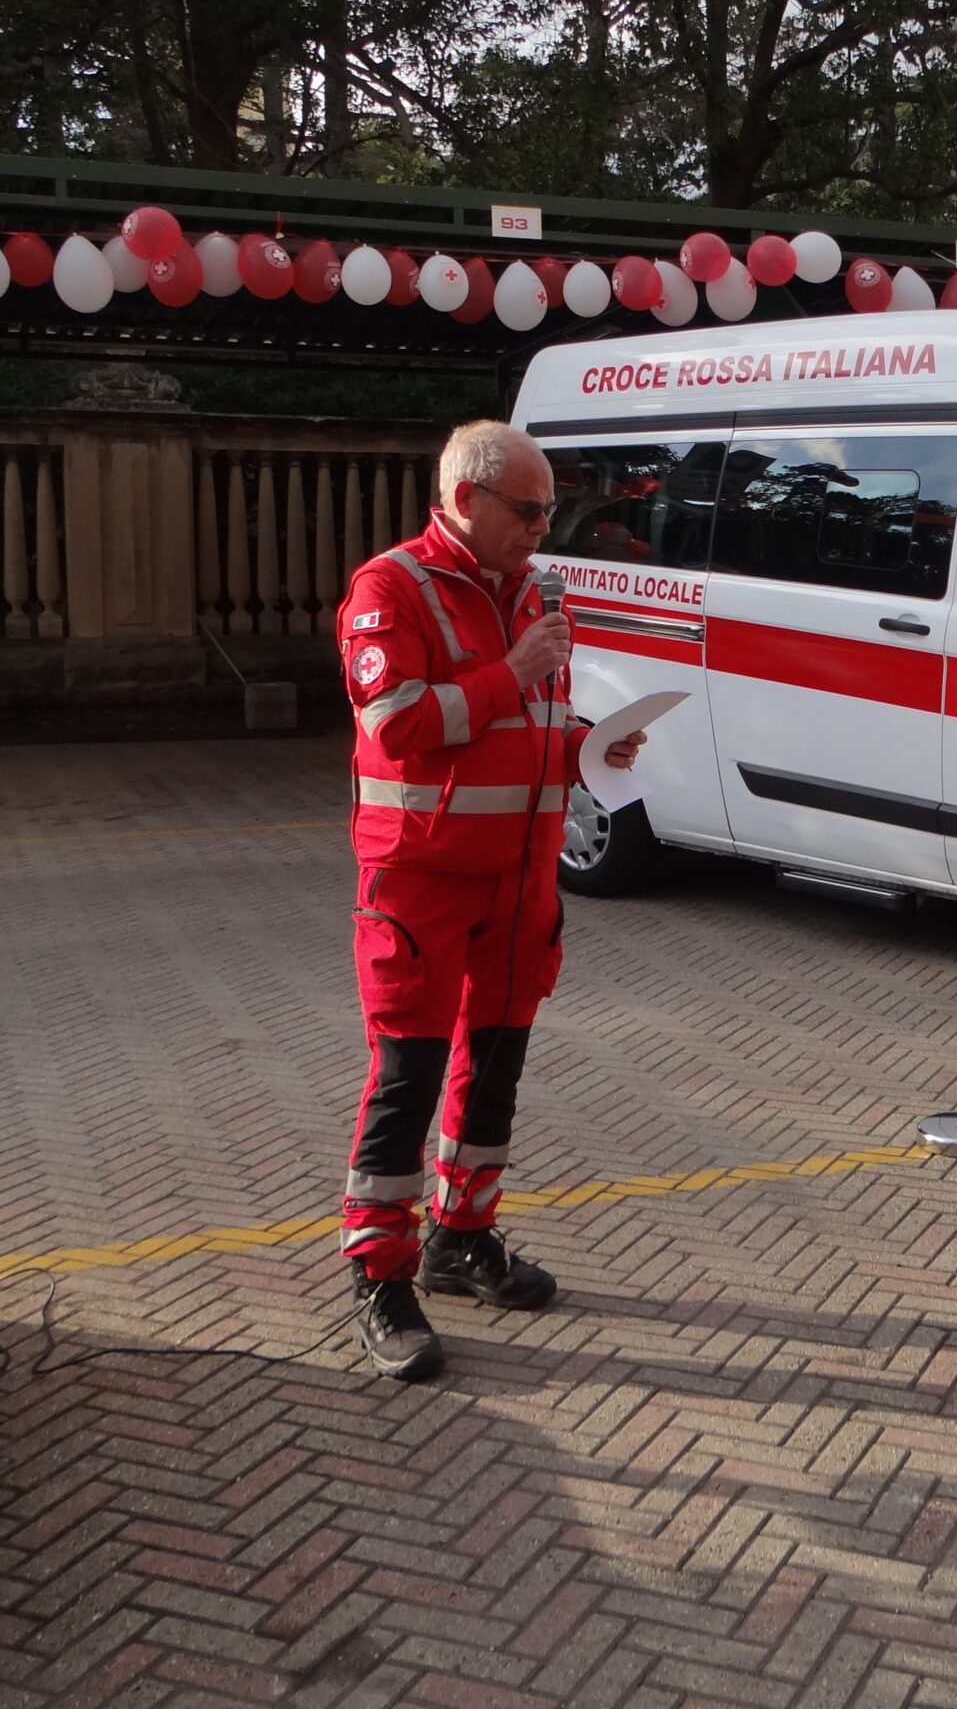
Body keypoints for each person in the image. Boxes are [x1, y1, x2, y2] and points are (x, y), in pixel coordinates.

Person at [333, 419, 644, 1381]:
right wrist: (513, 674)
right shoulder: (390, 589)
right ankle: (380, 1276)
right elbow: (401, 729)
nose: (546, 528)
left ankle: (461, 1237)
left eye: (551, 510)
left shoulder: (536, 601)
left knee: (493, 1068)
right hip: (422, 883)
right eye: (529, 509)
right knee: (408, 1080)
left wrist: (589, 744)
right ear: (464, 498)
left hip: (520, 880)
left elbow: (524, 728)